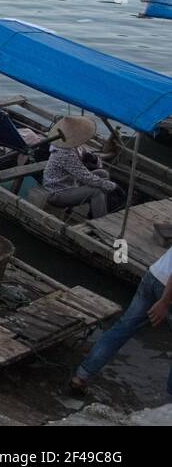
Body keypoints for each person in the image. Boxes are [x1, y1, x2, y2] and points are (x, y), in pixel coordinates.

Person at [70, 244, 172, 399]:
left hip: (154, 276)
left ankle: (81, 376)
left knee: (123, 327)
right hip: (168, 289)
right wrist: (164, 302)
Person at [43, 116, 117, 219]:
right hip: (58, 193)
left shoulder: (75, 146)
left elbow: (93, 159)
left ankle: (95, 211)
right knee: (97, 192)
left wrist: (95, 159)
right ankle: (100, 222)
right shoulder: (64, 153)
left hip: (72, 183)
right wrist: (108, 185)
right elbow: (85, 177)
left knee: (103, 174)